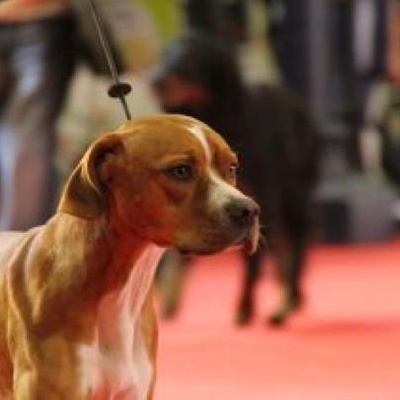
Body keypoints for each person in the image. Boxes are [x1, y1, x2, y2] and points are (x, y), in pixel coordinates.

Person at [152, 32, 319, 325]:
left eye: (183, 75)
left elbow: (261, 212)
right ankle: (172, 290)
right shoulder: (187, 122)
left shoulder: (251, 122)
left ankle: (287, 288)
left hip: (289, 136)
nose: (166, 83)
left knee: (283, 214)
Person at [0, 0, 77, 230]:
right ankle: (16, 250)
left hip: (38, 19)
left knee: (26, 145)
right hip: (38, 18)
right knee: (28, 144)